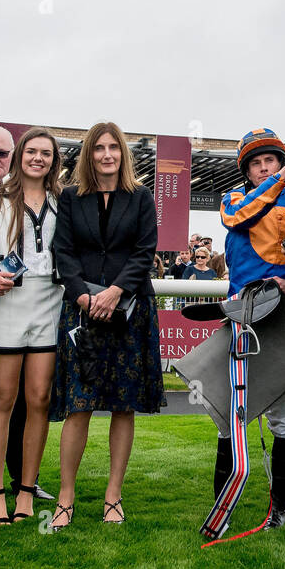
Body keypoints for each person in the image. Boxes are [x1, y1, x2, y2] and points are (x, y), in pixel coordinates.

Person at [49, 121, 164, 530]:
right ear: (88, 154)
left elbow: (144, 249)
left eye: (113, 147)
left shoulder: (142, 197)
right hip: (80, 311)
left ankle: (113, 496)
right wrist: (83, 296)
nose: (106, 155)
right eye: (99, 148)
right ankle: (66, 496)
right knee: (78, 406)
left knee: (122, 405)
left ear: (123, 154)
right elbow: (63, 251)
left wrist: (114, 292)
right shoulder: (69, 198)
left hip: (130, 310)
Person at [0, 127, 64, 525]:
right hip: (4, 303)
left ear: (54, 160)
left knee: (38, 399)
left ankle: (26, 491)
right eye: (32, 151)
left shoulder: (60, 201)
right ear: (20, 155)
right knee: (2, 398)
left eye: (47, 153)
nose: (38, 158)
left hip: (48, 305)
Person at [208, 128, 285, 529]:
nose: (264, 167)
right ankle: (223, 504)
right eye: (256, 162)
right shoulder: (232, 200)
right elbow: (238, 217)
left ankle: (279, 506)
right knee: (228, 414)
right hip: (241, 316)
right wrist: (284, 172)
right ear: (246, 171)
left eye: (271, 159)